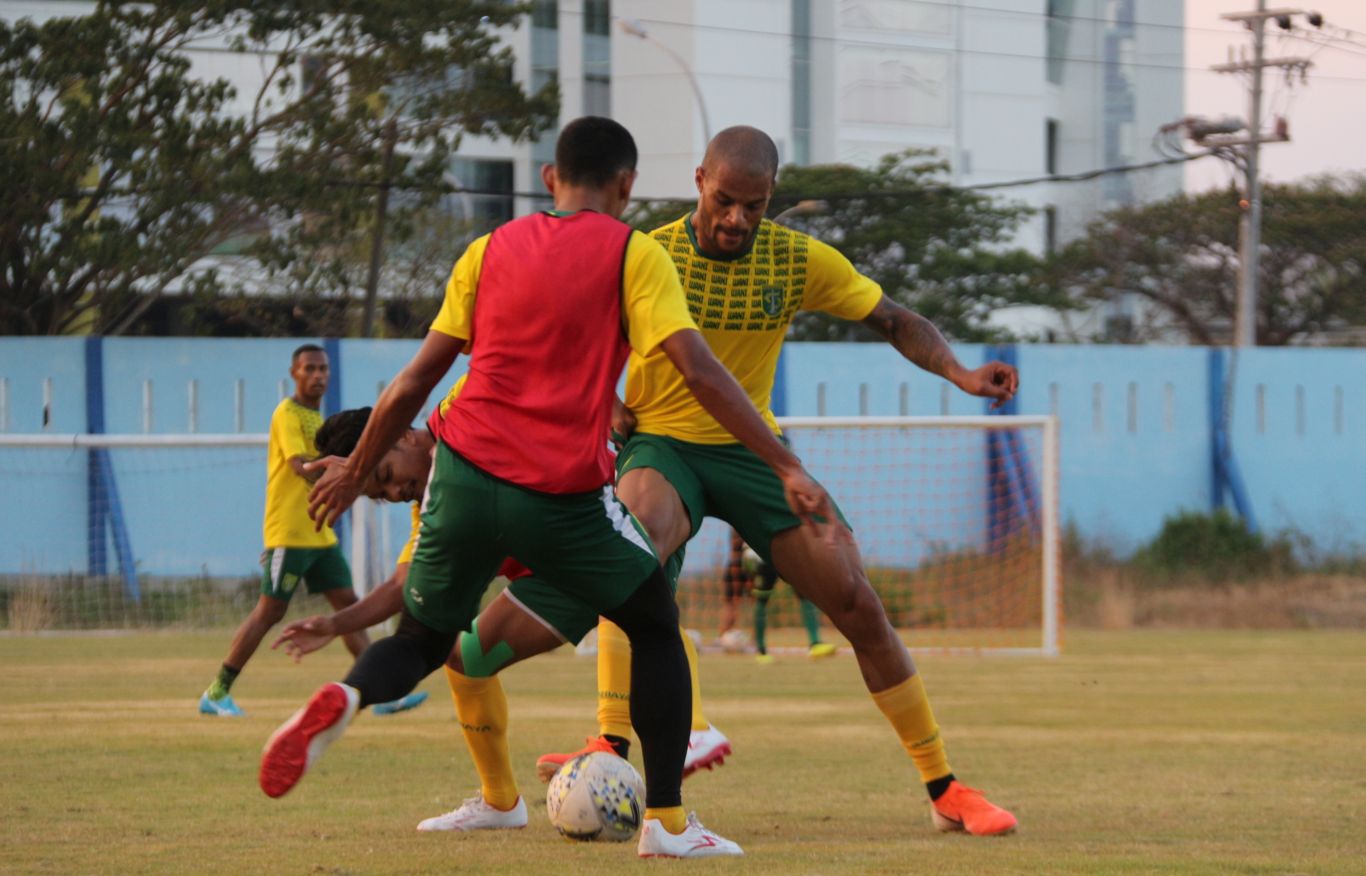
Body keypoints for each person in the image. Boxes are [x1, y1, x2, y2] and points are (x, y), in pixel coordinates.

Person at [258, 117, 839, 860]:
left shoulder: (487, 250)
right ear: (628, 186)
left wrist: (352, 470)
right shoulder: (636, 254)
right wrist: (784, 463)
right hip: (559, 490)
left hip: (463, 474)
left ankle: (349, 696)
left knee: (426, 640)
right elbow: (699, 372)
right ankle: (665, 822)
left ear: (547, 181)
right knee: (654, 622)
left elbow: (414, 381)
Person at [537, 125, 1021, 837]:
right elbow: (572, 331)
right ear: (699, 180)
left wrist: (962, 373)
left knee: (857, 603)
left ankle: (944, 788)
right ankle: (610, 743)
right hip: (663, 446)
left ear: (771, 200)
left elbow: (893, 319)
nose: (736, 218)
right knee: (631, 555)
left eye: (754, 206)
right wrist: (604, 401)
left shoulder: (797, 259)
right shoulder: (646, 253)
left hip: (755, 454)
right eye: (725, 200)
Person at [198, 344, 424, 718]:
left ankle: (377, 693)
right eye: (310, 369)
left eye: (323, 369)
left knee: (349, 605)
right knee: (270, 612)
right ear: (295, 374)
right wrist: (343, 470)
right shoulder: (288, 413)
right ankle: (217, 690)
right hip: (290, 531)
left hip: (320, 534)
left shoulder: (320, 420)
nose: (318, 375)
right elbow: (298, 466)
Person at [721, 529, 836, 664]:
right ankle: (761, 650)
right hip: (760, 554)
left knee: (804, 592)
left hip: (786, 551)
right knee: (758, 600)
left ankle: (815, 643)